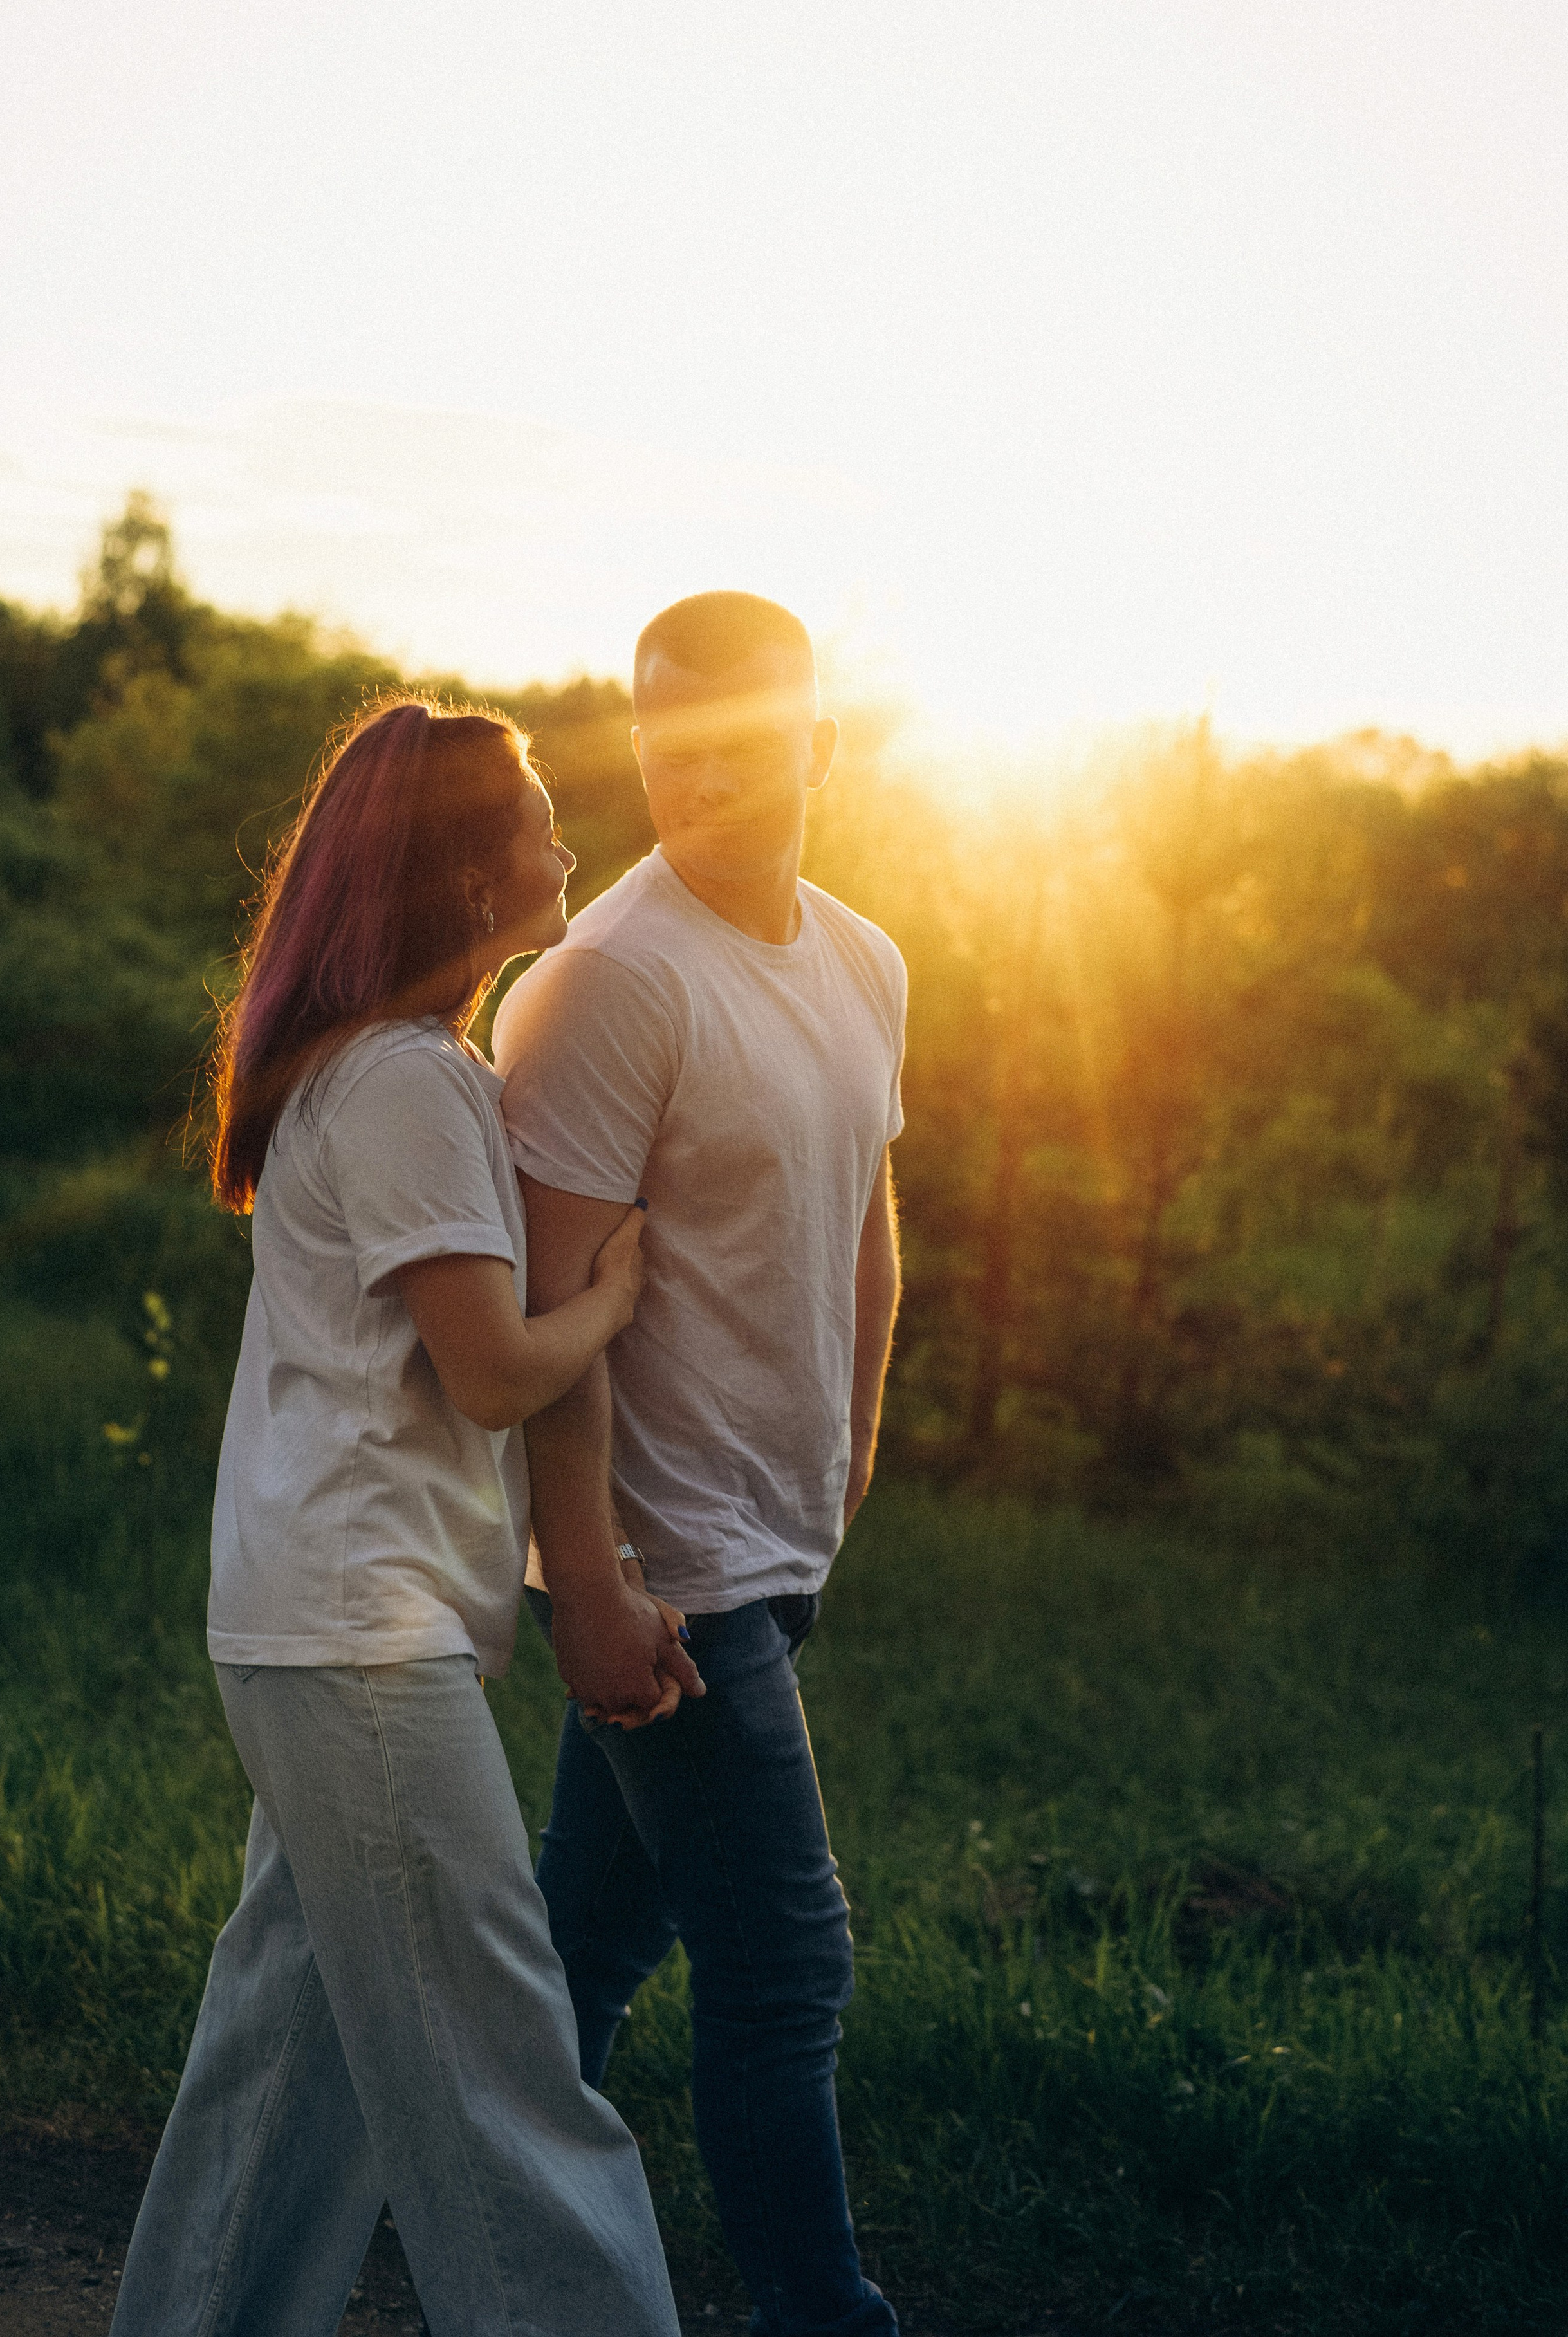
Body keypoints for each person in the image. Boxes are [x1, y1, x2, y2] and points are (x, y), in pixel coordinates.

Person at [112, 697, 699, 2337]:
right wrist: (609, 1294)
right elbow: (497, 1372)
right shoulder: (406, 1086)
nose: (564, 837)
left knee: (290, 2068)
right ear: (460, 875)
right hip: (362, 1643)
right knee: (500, 2073)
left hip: (319, 1626)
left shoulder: (387, 1069)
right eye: (532, 815)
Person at [493, 592, 907, 2337]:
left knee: (579, 1952)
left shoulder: (865, 957)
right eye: (663, 743)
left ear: (820, 739)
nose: (691, 777)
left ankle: (448, 2229)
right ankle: (831, 2319)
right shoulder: (606, 980)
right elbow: (548, 1308)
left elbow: (872, 1217)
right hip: (671, 1574)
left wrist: (853, 1447)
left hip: (780, 1532)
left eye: (738, 740)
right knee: (783, 1961)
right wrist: (592, 1584)